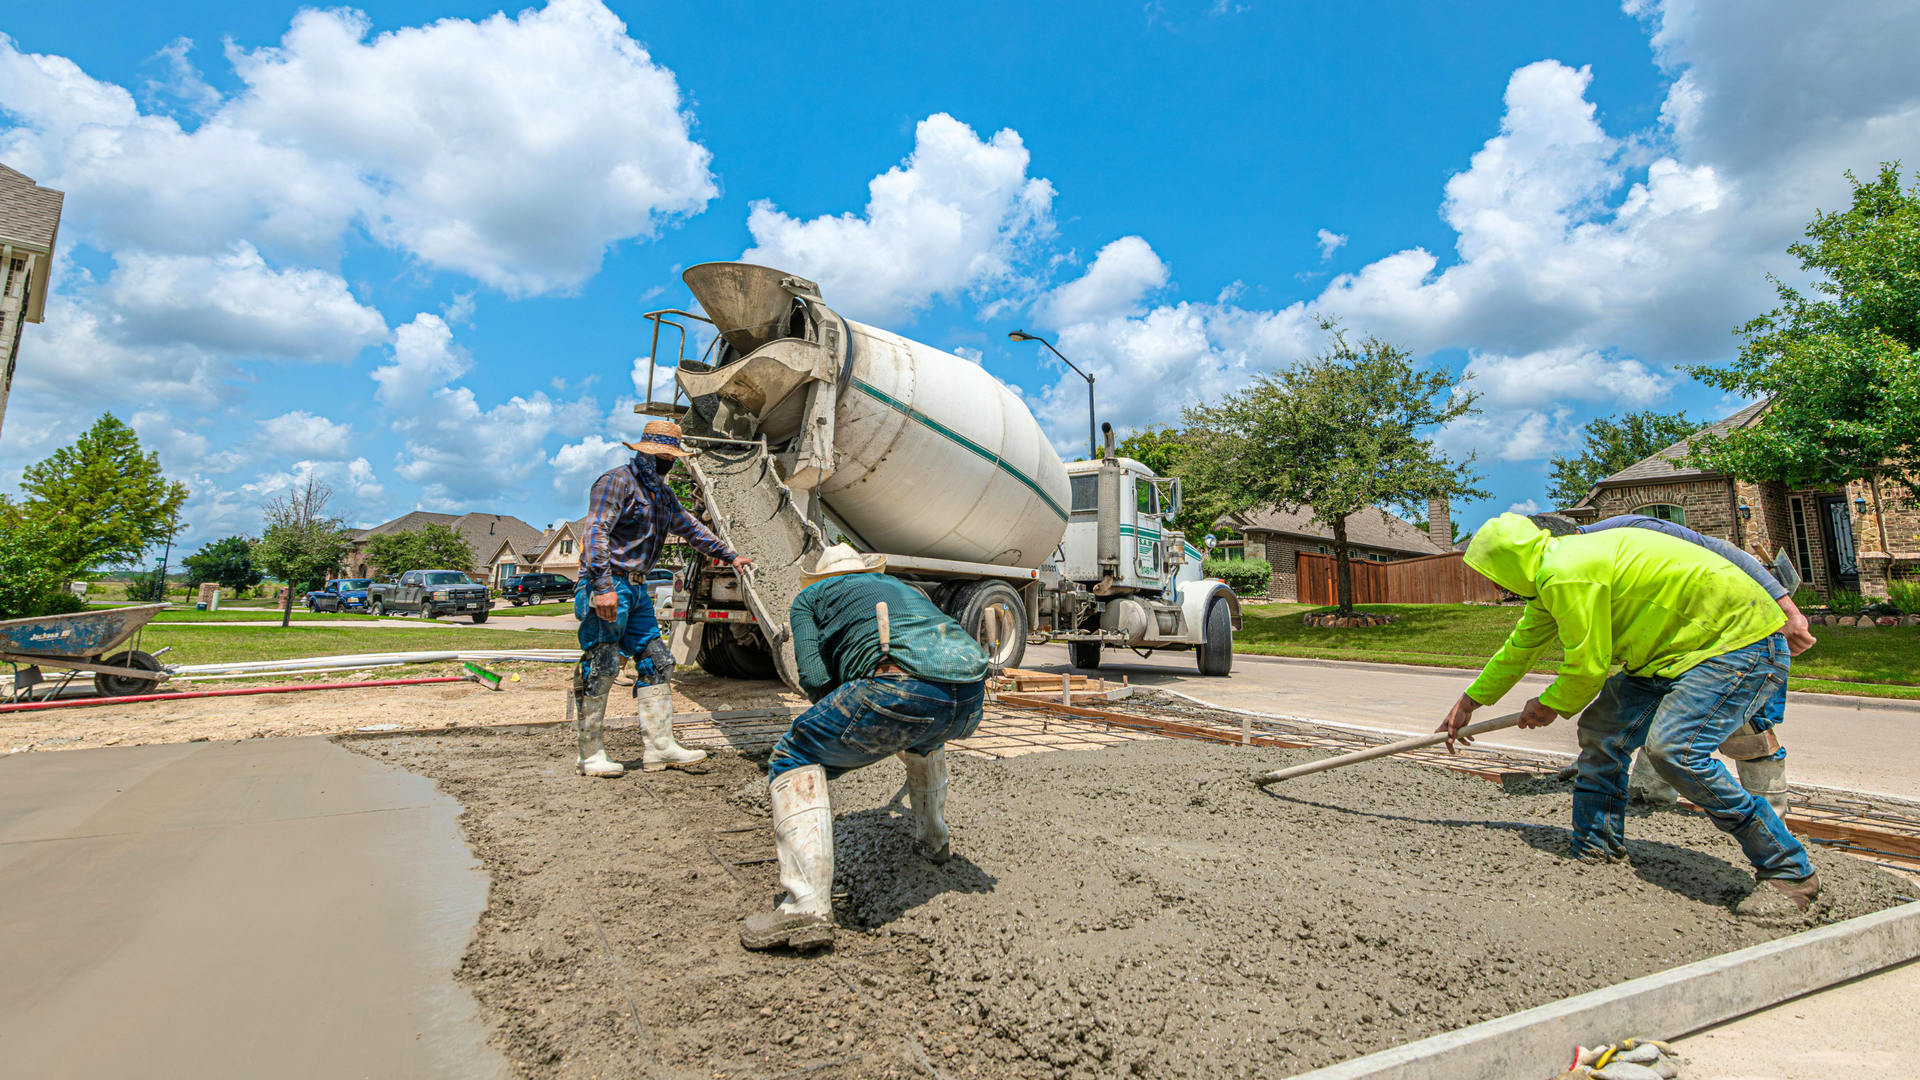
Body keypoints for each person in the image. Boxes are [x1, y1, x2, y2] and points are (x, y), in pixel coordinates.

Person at [1440, 513, 1820, 913]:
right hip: (1668, 653)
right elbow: (1519, 648)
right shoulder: (1551, 576)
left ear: (1508, 562)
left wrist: (1549, 703)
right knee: (1603, 733)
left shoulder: (1567, 571)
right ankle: (1595, 846)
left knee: (1676, 751)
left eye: (1493, 573)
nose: (1496, 584)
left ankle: (1790, 871)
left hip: (1737, 644)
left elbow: (1587, 668)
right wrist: (1470, 702)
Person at [740, 544, 990, 951]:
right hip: (968, 699)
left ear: (821, 577)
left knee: (793, 753)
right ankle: (934, 842)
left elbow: (815, 676)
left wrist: (854, 715)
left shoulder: (810, 597)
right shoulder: (900, 586)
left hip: (898, 689)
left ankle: (805, 908)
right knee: (924, 743)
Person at [1544, 513, 1814, 813]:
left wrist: (1788, 611)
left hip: (1739, 624)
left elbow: (1726, 551)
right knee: (1662, 714)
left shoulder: (1630, 530)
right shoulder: (1578, 569)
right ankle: (1650, 802)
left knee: (1750, 728)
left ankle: (1772, 817)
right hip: (1679, 639)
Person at [572, 419, 753, 779]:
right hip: (610, 585)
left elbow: (691, 528)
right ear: (646, 454)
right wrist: (604, 586)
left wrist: (731, 555)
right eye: (664, 457)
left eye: (671, 458)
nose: (668, 463)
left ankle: (659, 747)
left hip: (638, 590)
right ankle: (590, 754)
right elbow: (596, 534)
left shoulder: (663, 495)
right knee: (603, 663)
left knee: (658, 660)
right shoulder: (616, 482)